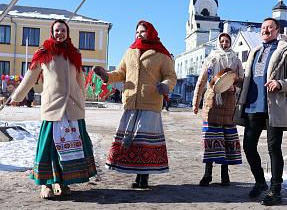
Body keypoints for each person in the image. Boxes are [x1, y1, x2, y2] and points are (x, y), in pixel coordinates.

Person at [10, 19, 97, 199]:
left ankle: (63, 182)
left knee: (70, 149)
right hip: (53, 107)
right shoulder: (44, 52)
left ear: (68, 32)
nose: (60, 33)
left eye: (63, 30)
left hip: (73, 108)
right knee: (49, 148)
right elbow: (30, 77)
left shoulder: (74, 53)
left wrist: (82, 99)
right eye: (57, 30)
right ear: (52, 32)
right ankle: (46, 185)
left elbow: (79, 80)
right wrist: (17, 97)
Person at [92, 20, 177, 188]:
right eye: (137, 32)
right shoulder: (130, 51)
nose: (139, 34)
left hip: (150, 102)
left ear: (150, 33)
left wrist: (166, 86)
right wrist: (106, 76)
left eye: (143, 32)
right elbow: (120, 73)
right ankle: (136, 175)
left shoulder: (162, 54)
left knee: (144, 142)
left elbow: (170, 76)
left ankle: (143, 178)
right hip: (131, 101)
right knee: (132, 141)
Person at [233, 17, 287, 206]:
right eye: (263, 27)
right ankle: (260, 182)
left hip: (274, 108)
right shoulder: (255, 52)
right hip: (252, 106)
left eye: (270, 28)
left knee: (274, 149)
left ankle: (276, 190)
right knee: (248, 146)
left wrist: (280, 83)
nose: (265, 30)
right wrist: (235, 82)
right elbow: (249, 80)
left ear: (277, 30)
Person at [192, 33, 243, 187]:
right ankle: (207, 175)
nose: (224, 44)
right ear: (218, 43)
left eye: (227, 41)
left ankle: (224, 175)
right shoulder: (211, 59)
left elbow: (242, 80)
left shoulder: (236, 60)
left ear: (230, 43)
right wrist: (196, 102)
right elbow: (201, 82)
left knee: (226, 141)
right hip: (212, 103)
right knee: (210, 140)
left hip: (228, 105)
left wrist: (235, 86)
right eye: (222, 41)